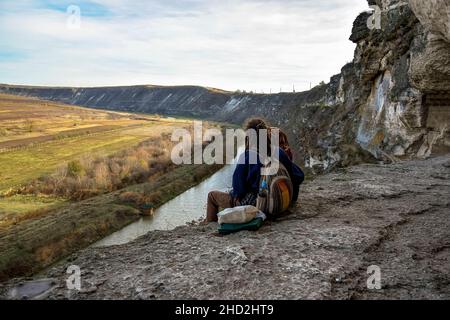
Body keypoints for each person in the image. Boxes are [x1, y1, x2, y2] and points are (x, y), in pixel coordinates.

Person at [206, 118, 304, 222]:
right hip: (280, 202)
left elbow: (238, 191)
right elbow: (299, 176)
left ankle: (210, 225)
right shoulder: (279, 152)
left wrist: (233, 194)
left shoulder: (247, 156)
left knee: (212, 196)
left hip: (257, 206)